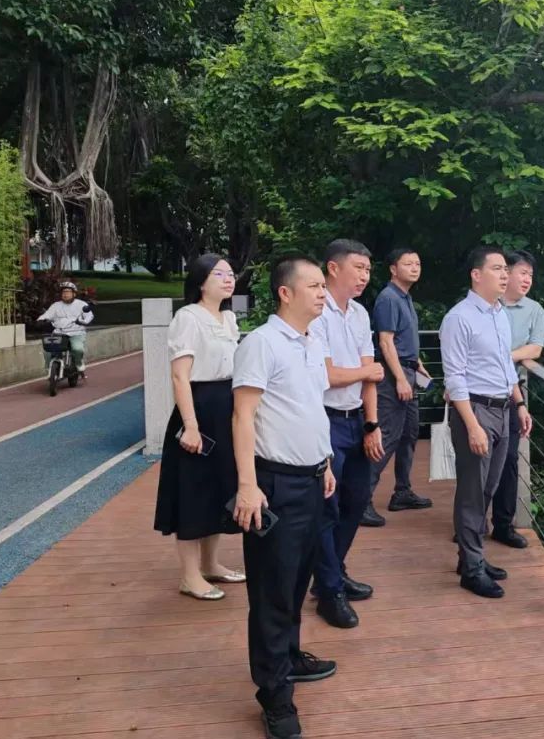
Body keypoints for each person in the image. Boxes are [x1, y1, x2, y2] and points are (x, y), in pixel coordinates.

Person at [231, 255, 338, 739]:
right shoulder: (261, 343)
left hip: (313, 479)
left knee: (297, 581)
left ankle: (289, 656)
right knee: (272, 591)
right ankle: (274, 695)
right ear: (285, 293)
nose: (322, 293)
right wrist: (247, 485)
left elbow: (311, 408)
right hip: (274, 484)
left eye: (323, 286)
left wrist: (326, 462)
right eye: (313, 285)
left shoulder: (312, 342)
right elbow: (243, 416)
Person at [440, 245, 533, 598]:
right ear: (476, 275)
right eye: (497, 268)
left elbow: (505, 366)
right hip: (475, 410)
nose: (505, 274)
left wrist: (519, 404)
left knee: (488, 488)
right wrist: (472, 425)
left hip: (503, 409)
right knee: (472, 493)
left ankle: (472, 556)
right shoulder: (459, 318)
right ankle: (472, 569)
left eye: (506, 269)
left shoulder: (498, 315)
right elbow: (455, 377)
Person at [153, 255, 244, 600]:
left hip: (225, 407)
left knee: (219, 487)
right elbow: (180, 376)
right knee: (193, 491)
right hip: (198, 409)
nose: (228, 279)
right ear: (201, 281)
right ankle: (190, 576)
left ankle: (210, 564)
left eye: (231, 273)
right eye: (219, 274)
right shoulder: (187, 318)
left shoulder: (229, 318)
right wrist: (190, 426)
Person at [308, 239, 384, 629]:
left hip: (356, 419)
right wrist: (365, 372)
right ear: (333, 268)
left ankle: (332, 572)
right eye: (359, 268)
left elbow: (369, 374)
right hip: (325, 419)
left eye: (368, 269)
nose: (365, 276)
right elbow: (327, 375)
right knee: (327, 505)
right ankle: (329, 590)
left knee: (356, 499)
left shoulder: (359, 313)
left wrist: (372, 424)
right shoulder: (316, 313)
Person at [367, 247, 432, 518]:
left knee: (408, 434)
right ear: (393, 269)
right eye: (408, 264)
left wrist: (418, 365)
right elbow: (385, 342)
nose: (415, 268)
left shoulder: (405, 297)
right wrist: (400, 379)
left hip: (408, 371)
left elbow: (405, 340)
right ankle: (362, 499)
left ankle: (402, 491)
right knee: (388, 435)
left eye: (417, 263)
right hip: (394, 376)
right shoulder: (389, 298)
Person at [490, 250, 544, 549]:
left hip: (512, 393)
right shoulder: (488, 303)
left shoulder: (535, 310)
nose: (527, 280)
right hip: (480, 390)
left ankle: (503, 524)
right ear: (506, 273)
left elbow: (535, 348)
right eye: (522, 273)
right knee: (478, 460)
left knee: (510, 459)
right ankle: (470, 523)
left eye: (530, 275)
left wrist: (506, 357)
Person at [37, 281, 93, 373]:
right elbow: (47, 315)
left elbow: (89, 316)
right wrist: (41, 320)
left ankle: (79, 363)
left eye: (68, 292)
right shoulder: (56, 305)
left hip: (76, 333)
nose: (65, 294)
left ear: (74, 294)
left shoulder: (82, 304)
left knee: (77, 349)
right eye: (63, 292)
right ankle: (48, 367)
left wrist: (83, 322)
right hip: (59, 333)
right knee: (48, 350)